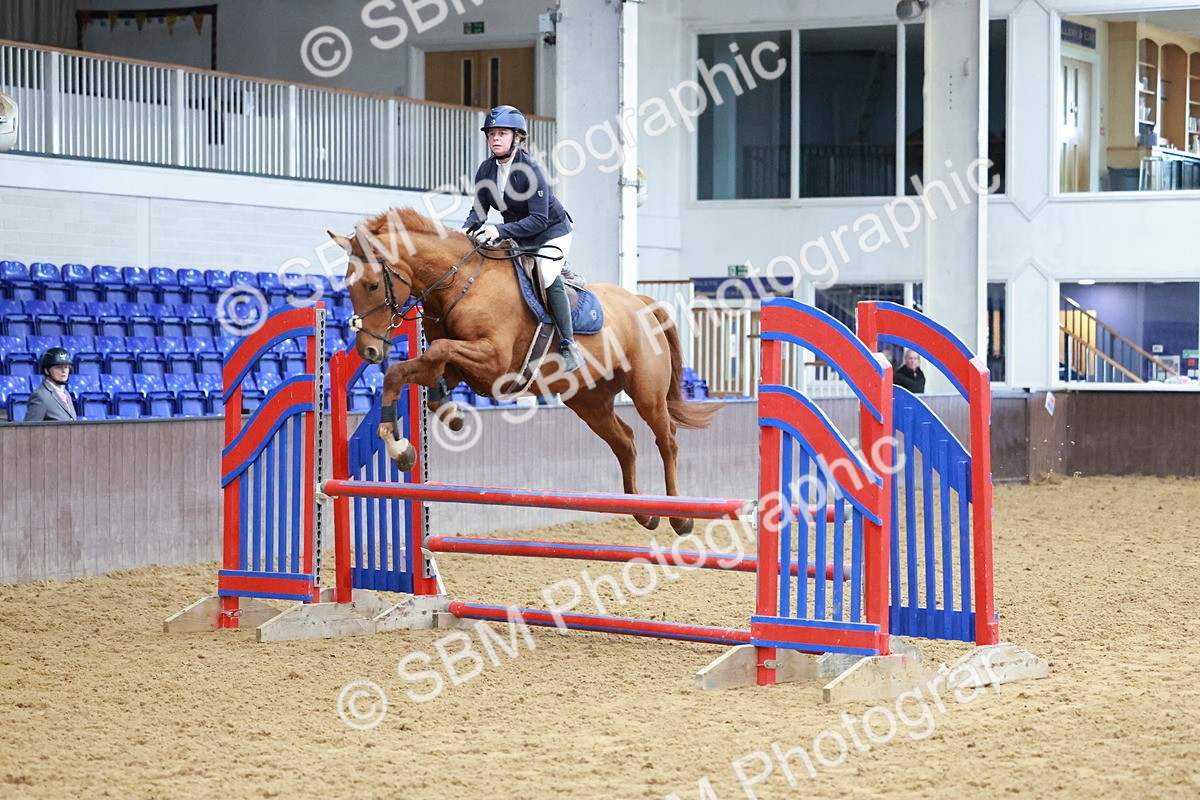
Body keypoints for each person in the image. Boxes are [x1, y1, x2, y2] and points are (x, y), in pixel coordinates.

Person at [460, 104, 582, 373]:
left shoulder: (531, 170)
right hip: (519, 236)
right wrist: (465, 230)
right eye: (491, 134)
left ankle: (568, 344)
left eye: (502, 133)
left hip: (551, 233)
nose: (495, 139)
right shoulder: (486, 170)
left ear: (517, 137)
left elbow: (538, 219)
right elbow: (480, 210)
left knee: (547, 274)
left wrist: (499, 231)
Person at [24, 347, 78, 422]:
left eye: (66, 367)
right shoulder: (39, 396)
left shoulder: (66, 393)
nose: (64, 371)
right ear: (46, 370)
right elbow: (29, 430)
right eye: (58, 367)